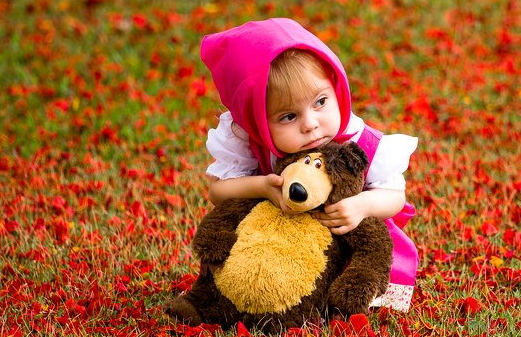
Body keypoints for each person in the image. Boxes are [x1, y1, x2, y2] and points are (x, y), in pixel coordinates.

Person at [176, 17, 418, 315]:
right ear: (256, 121)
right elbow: (218, 192)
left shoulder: (359, 141)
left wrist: (363, 206)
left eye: (320, 102)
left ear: (336, 87)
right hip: (279, 245)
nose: (311, 125)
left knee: (349, 298)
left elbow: (395, 196)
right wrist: (263, 187)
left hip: (346, 246)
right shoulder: (248, 139)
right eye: (288, 116)